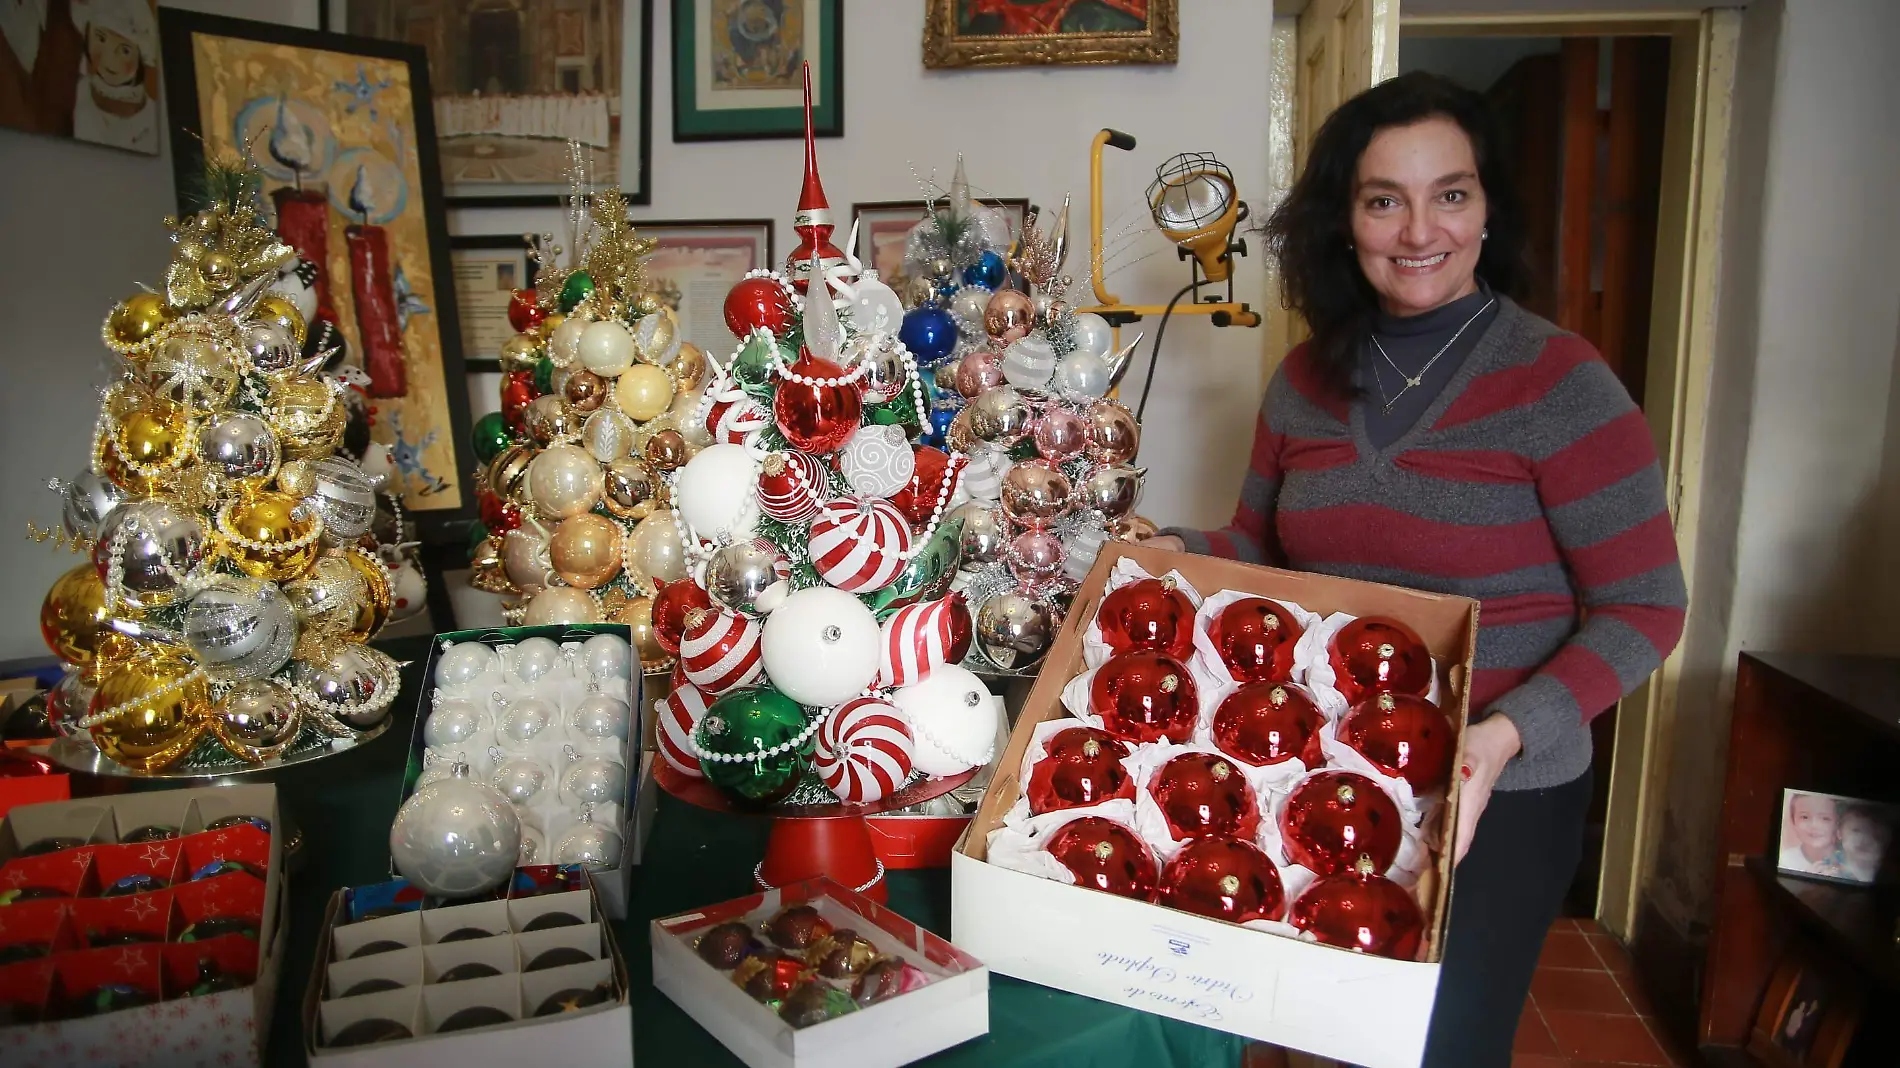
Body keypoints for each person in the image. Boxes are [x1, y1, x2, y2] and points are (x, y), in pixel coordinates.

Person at [1147, 72, 1686, 1067]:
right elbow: (1260, 550)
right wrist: (1173, 551)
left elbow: (1645, 605)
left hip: (1499, 792)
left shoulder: (1559, 382)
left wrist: (1499, 740)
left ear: (1488, 210)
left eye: (1451, 193)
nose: (1416, 229)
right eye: (1382, 199)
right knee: (1327, 1034)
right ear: (1342, 222)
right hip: (1336, 769)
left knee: (1440, 1049)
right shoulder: (1305, 380)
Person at [68, 0, 156, 153]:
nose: (109, 59)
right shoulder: (73, 96)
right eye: (101, 38)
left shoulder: (152, 121)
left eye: (125, 50)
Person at [1778, 793, 1843, 876]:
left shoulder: (1854, 861)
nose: (1814, 825)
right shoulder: (1784, 861)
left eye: (1825, 818)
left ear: (1838, 824)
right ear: (1793, 822)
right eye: (1805, 817)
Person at [1836, 803, 1891, 883]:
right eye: (1856, 830)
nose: (1863, 839)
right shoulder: (1830, 868)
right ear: (1839, 834)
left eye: (1874, 833)